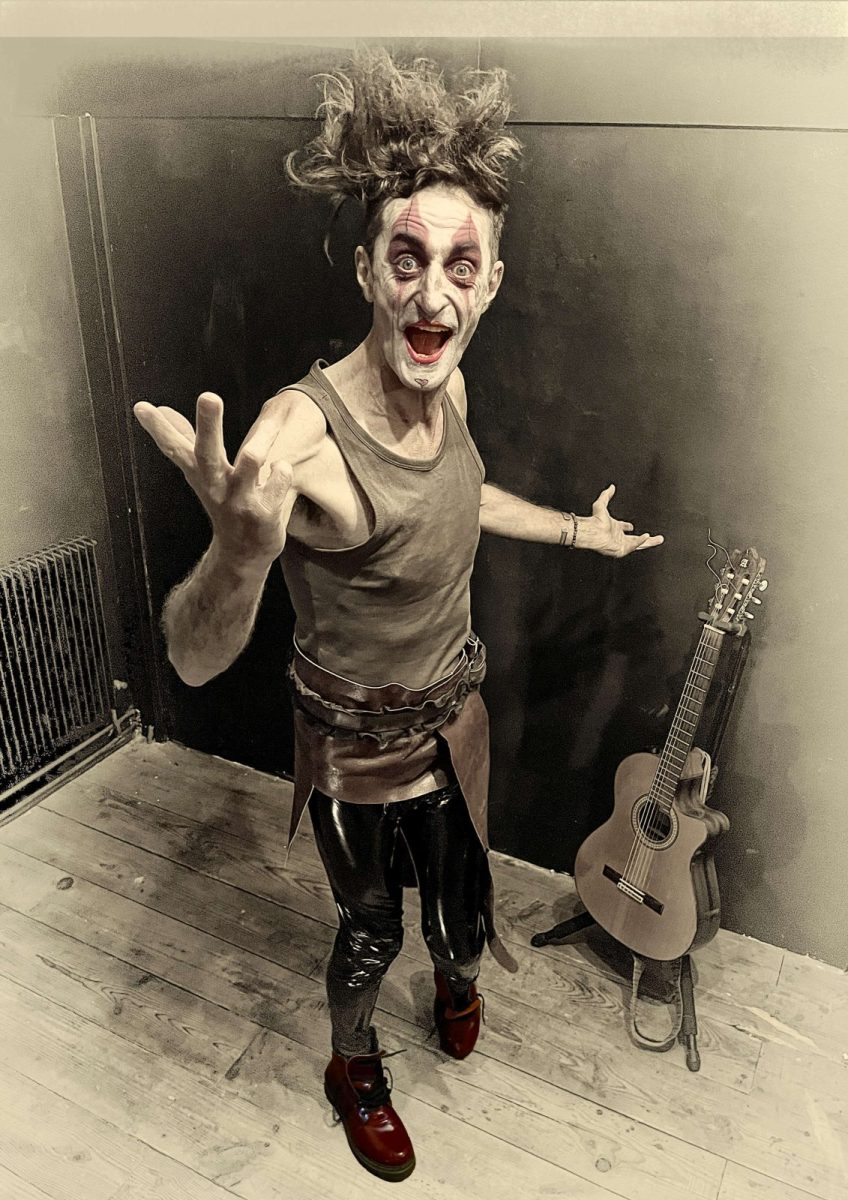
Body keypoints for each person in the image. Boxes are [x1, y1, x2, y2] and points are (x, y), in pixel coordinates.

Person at [134, 50, 663, 1184]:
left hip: (454, 722)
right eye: (407, 260)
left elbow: (459, 499)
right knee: (373, 929)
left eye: (459, 266)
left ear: (491, 282)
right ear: (367, 268)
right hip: (355, 753)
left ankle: (460, 973)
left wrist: (576, 533)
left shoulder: (449, 383)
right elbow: (190, 656)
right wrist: (239, 553)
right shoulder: (296, 438)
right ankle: (353, 1066)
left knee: (463, 913)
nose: (432, 297)